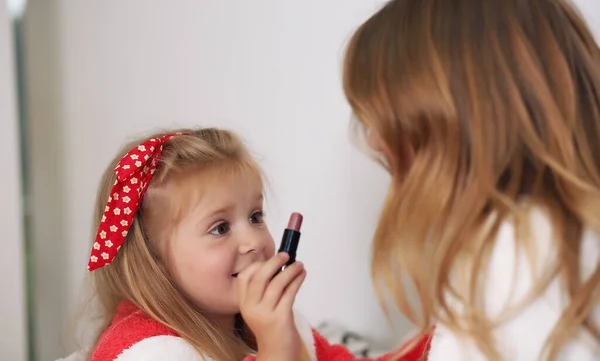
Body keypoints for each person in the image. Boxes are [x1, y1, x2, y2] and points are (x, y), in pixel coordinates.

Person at [341, 0, 600, 359]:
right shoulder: (552, 237)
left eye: (389, 119)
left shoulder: (517, 260)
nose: (375, 142)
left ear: (462, 112)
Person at [60, 128, 430, 361]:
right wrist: (275, 351)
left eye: (256, 217)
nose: (254, 241)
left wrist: (441, 340)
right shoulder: (150, 352)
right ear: (153, 261)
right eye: (220, 228)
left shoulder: (258, 323)